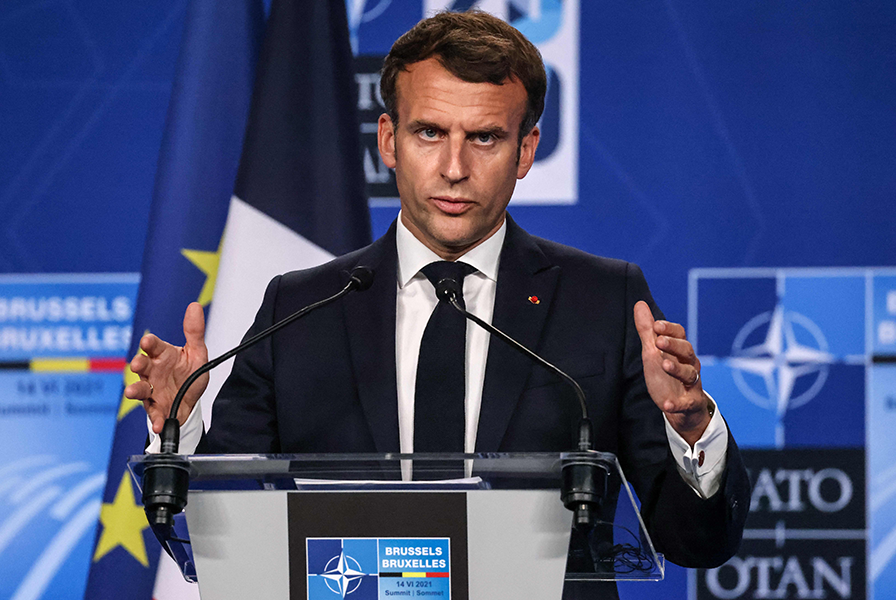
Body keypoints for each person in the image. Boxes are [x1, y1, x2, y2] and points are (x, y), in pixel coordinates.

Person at [127, 9, 748, 596]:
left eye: (484, 138)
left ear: (525, 151)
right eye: (429, 132)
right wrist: (176, 429)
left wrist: (691, 432)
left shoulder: (603, 301)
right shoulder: (302, 308)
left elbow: (695, 540)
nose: (454, 167)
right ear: (390, 140)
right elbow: (222, 536)